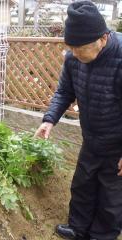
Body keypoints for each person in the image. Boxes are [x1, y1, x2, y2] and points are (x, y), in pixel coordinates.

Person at [34, 1, 122, 240]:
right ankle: (78, 228)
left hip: (117, 143)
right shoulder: (74, 58)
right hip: (91, 137)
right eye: (71, 48)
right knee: (82, 184)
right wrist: (49, 120)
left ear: (102, 39)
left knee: (111, 196)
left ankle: (102, 236)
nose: (74, 54)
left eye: (80, 49)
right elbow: (64, 91)